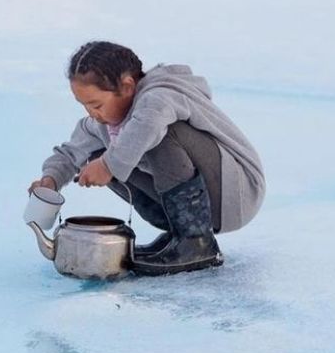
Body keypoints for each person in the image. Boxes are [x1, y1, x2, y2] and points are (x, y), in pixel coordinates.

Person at [28, 41, 265, 275]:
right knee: (97, 152)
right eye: (85, 106)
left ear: (128, 86)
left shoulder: (160, 96)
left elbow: (148, 122)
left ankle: (196, 242)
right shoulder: (102, 124)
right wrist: (50, 181)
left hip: (236, 194)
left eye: (96, 104)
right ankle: (181, 233)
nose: (92, 114)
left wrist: (109, 165)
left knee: (156, 133)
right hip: (199, 206)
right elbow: (71, 152)